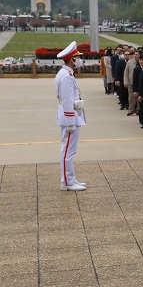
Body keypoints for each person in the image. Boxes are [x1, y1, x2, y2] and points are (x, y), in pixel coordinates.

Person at [55, 41, 87, 191]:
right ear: (71, 59)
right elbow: (67, 101)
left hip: (70, 115)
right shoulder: (67, 76)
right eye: (77, 57)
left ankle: (70, 179)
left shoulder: (66, 73)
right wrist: (70, 122)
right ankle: (67, 182)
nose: (80, 59)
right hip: (70, 116)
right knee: (68, 150)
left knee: (68, 150)